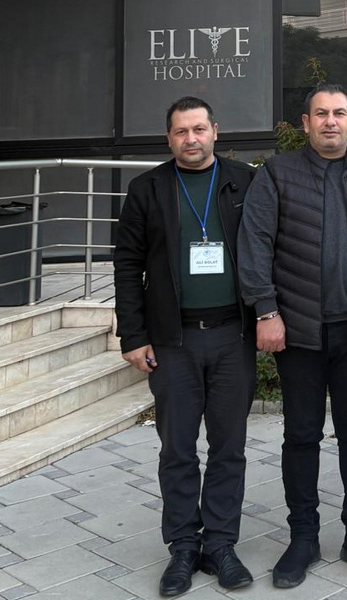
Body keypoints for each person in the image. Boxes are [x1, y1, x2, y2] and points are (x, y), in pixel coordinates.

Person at [237, 83, 347, 588]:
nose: (330, 121)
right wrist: (265, 310)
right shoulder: (278, 174)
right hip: (297, 332)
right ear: (306, 123)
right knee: (301, 435)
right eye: (321, 114)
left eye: (339, 113)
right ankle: (303, 538)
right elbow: (255, 243)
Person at [114, 96, 257, 596]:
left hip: (233, 335)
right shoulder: (147, 189)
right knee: (177, 449)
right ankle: (182, 548)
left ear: (215, 130)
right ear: (169, 138)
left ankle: (221, 545)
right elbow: (127, 266)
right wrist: (133, 335)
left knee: (228, 448)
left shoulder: (245, 181)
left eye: (199, 129)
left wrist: (269, 315)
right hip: (172, 340)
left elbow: (267, 250)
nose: (191, 139)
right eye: (181, 131)